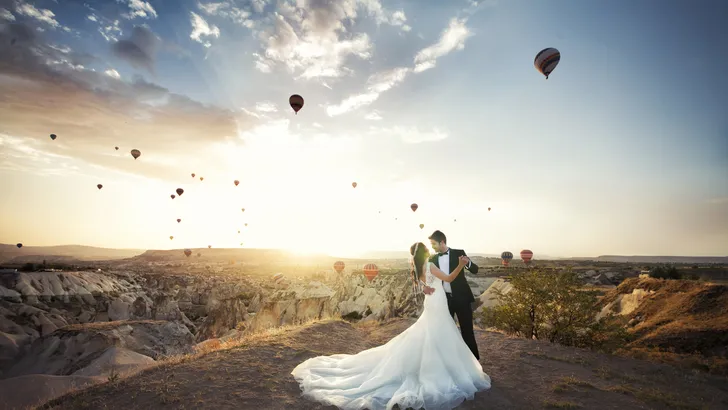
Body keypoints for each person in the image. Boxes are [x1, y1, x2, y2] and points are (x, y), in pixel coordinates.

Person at [291, 242, 491, 410]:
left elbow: (422, 284)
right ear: (426, 252)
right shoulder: (430, 264)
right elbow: (448, 278)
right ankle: (443, 367)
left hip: (431, 301)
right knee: (439, 332)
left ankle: (433, 365)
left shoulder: (419, 266)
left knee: (431, 332)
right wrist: (460, 264)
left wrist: (426, 287)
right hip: (437, 301)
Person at [427, 230, 481, 360]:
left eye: (433, 244)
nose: (432, 247)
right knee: (446, 332)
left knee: (467, 331)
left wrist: (466, 263)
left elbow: (475, 270)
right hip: (444, 301)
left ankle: (473, 362)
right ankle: (450, 362)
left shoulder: (459, 253)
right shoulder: (432, 259)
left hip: (462, 298)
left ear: (442, 242)